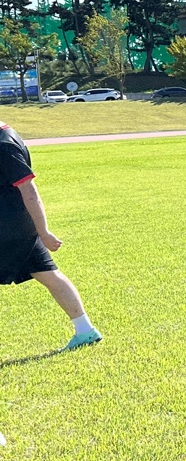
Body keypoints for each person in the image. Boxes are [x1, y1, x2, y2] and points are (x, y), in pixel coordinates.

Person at [0, 121, 103, 352]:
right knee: (49, 274)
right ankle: (85, 329)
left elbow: (29, 190)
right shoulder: (8, 133)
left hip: (9, 229)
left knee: (50, 275)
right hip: (18, 227)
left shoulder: (4, 145)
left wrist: (44, 231)